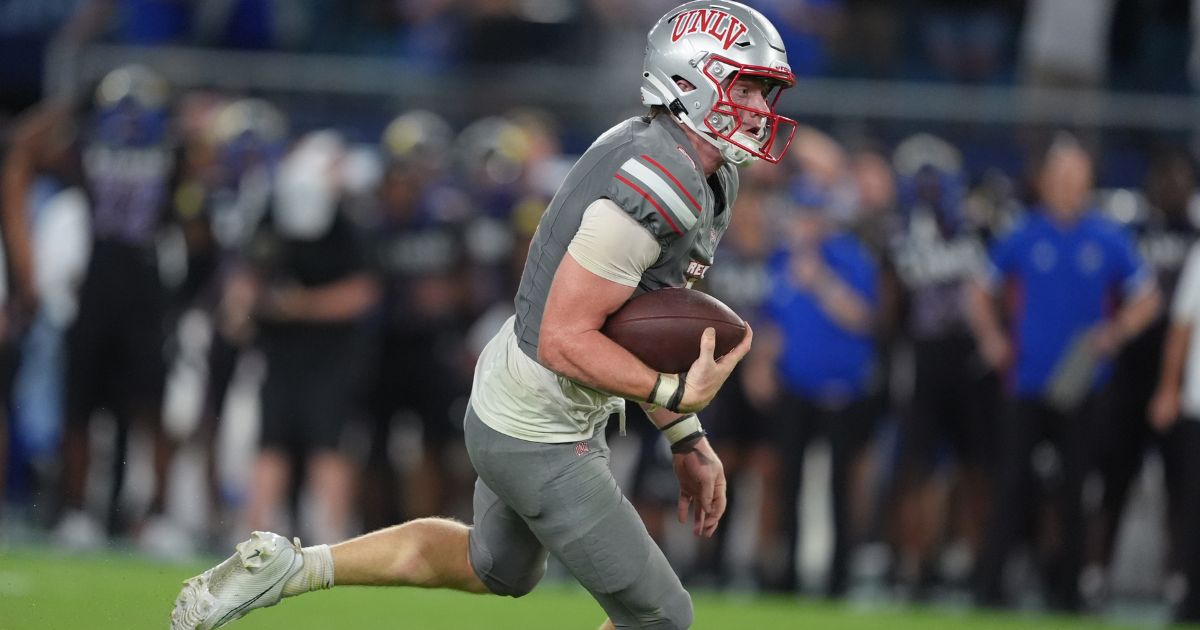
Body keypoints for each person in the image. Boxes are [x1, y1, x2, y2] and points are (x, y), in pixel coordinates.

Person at [169, 2, 796, 629]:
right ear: (688, 78)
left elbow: (640, 321)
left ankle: (287, 567)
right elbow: (564, 337)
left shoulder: (701, 173)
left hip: (524, 395)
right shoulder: (658, 180)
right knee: (661, 618)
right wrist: (674, 394)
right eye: (747, 87)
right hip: (540, 423)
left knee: (494, 565)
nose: (760, 109)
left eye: (765, 93)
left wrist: (684, 434)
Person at [968, 136, 1161, 611]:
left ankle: (1068, 593)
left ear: (1088, 183)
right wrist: (993, 338)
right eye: (1059, 178)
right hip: (1026, 381)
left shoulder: (1107, 237)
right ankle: (992, 586)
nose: (1067, 187)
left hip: (1081, 385)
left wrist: (1116, 332)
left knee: (1075, 489)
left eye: (1076, 178)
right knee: (1013, 483)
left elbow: (1149, 297)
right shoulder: (1024, 232)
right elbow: (978, 288)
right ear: (1045, 182)